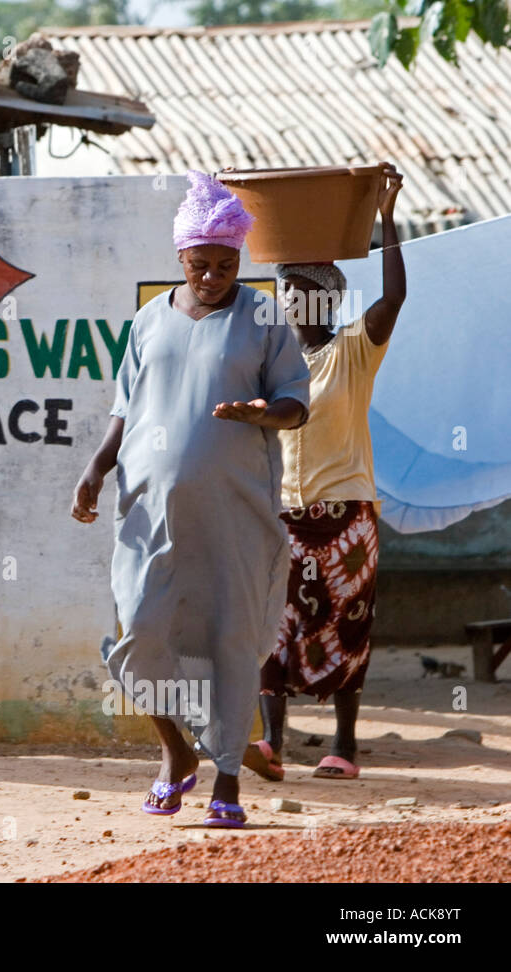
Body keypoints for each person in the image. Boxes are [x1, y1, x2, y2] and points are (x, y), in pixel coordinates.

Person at [71, 170, 311, 828]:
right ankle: (177, 754)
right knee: (141, 633)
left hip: (233, 517)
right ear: (181, 258)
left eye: (226, 263)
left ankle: (227, 782)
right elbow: (126, 409)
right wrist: (94, 469)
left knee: (228, 641)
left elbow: (296, 403)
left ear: (240, 259)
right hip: (150, 513)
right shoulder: (149, 320)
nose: (213, 276)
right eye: (201, 264)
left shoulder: (263, 317)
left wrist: (267, 411)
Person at [244, 163, 406, 783]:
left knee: (346, 625)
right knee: (272, 625)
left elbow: (394, 298)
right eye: (280, 296)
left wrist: (386, 219)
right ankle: (272, 745)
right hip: (281, 511)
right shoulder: (270, 367)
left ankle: (344, 746)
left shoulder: (352, 352)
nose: (282, 306)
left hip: (346, 515)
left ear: (319, 298)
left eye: (291, 295)